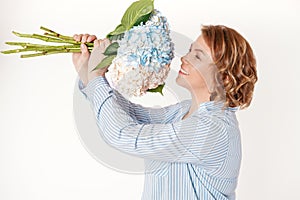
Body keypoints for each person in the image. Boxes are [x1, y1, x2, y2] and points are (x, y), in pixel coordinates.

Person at [72, 25, 257, 200]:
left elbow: (122, 134)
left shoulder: (212, 129)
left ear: (222, 77)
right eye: (190, 50)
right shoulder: (185, 111)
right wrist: (88, 75)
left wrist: (96, 76)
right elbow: (133, 115)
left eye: (198, 56)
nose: (184, 58)